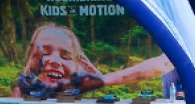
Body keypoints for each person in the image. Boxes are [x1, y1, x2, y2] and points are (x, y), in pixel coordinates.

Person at [12, 23, 174, 98]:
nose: (55, 61)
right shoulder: (23, 91)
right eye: (44, 52)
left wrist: (100, 78)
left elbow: (162, 64)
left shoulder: (75, 88)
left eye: (65, 56)